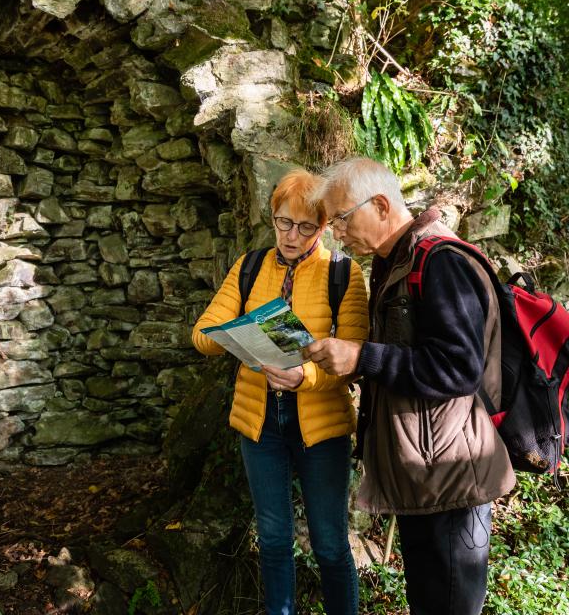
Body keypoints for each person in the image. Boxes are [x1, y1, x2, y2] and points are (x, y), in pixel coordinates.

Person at [303, 157, 516, 615]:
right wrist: (354, 361)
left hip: (455, 480)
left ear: (380, 204)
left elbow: (459, 369)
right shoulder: (395, 259)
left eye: (341, 219)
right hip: (425, 475)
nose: (336, 234)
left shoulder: (440, 261)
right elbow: (408, 355)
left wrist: (363, 356)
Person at [192, 169, 369, 615]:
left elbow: (354, 357)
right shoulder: (249, 266)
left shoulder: (344, 273)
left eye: (306, 226)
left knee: (329, 543)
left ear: (325, 226)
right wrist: (235, 337)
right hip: (260, 424)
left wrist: (305, 376)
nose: (291, 235)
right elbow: (201, 334)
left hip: (320, 425)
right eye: (283, 223)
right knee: (272, 538)